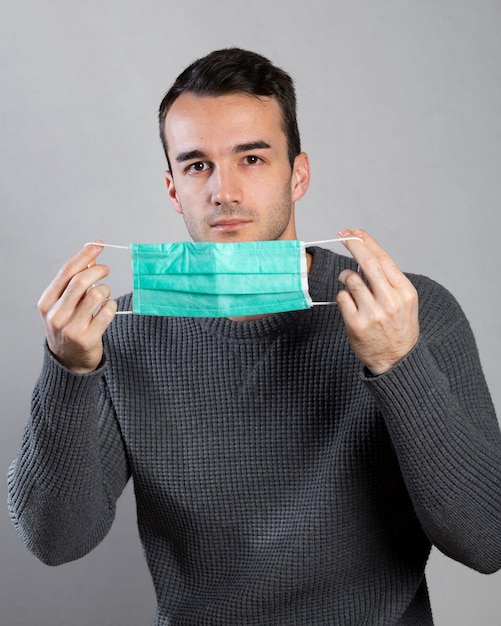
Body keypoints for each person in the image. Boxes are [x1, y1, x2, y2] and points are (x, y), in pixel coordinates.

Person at [7, 48, 501, 625]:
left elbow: (487, 540)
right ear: (173, 189)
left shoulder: (409, 311)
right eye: (197, 166)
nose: (224, 191)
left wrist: (398, 362)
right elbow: (54, 540)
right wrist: (68, 371)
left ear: (299, 174)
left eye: (252, 159)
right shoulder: (118, 334)